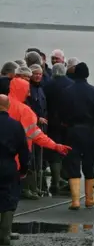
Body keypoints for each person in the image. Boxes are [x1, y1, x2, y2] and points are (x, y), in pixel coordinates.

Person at [8, 78, 71, 200]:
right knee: (9, 198)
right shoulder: (25, 111)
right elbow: (36, 135)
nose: (29, 94)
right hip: (17, 158)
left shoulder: (4, 103)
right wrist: (55, 146)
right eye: (27, 90)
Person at [58, 62, 94, 210]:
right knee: (89, 163)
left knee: (72, 163)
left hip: (71, 131)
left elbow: (59, 113)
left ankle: (75, 201)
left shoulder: (66, 91)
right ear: (87, 74)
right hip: (89, 131)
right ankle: (89, 198)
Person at [0, 94, 30, 246]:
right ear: (8, 106)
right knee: (9, 198)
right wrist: (24, 169)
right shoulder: (15, 125)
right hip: (7, 165)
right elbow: (24, 150)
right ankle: (5, 234)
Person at [42, 63, 73, 196]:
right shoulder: (71, 84)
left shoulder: (47, 85)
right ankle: (66, 180)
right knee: (67, 150)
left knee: (54, 153)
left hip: (51, 123)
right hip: (67, 123)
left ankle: (55, 182)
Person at [27, 64, 49, 196]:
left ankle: (38, 186)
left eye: (40, 74)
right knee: (32, 156)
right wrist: (37, 118)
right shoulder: (28, 89)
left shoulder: (40, 89)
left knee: (39, 156)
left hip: (41, 127)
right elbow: (28, 108)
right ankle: (31, 187)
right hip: (32, 126)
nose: (38, 76)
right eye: (35, 73)